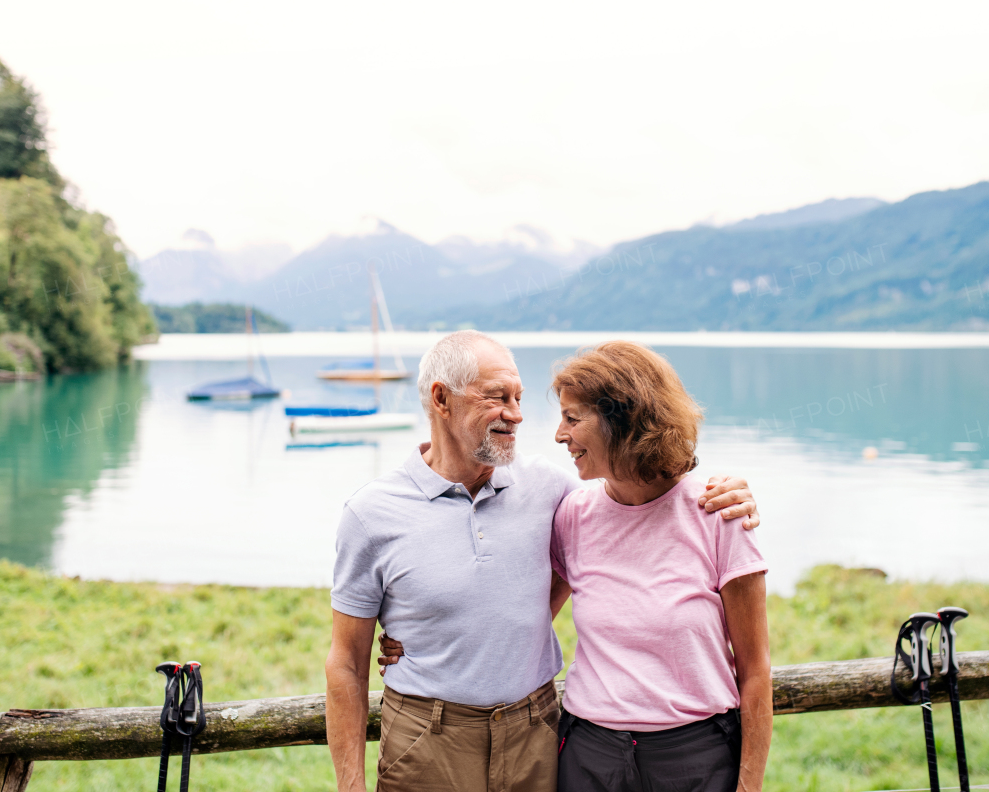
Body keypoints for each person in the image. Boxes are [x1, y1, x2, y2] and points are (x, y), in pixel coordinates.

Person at [325, 330, 761, 792]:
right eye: (497, 397)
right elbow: (346, 664)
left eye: (518, 397)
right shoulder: (371, 513)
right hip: (427, 740)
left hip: (535, 732)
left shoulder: (553, 489)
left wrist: (731, 493)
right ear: (441, 398)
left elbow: (639, 492)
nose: (515, 415)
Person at [549, 341, 771, 792]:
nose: (559, 434)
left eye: (573, 418)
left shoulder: (717, 513)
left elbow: (755, 672)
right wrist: (412, 638)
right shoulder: (572, 517)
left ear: (623, 421)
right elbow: (521, 619)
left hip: (695, 758)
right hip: (589, 756)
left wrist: (748, 786)